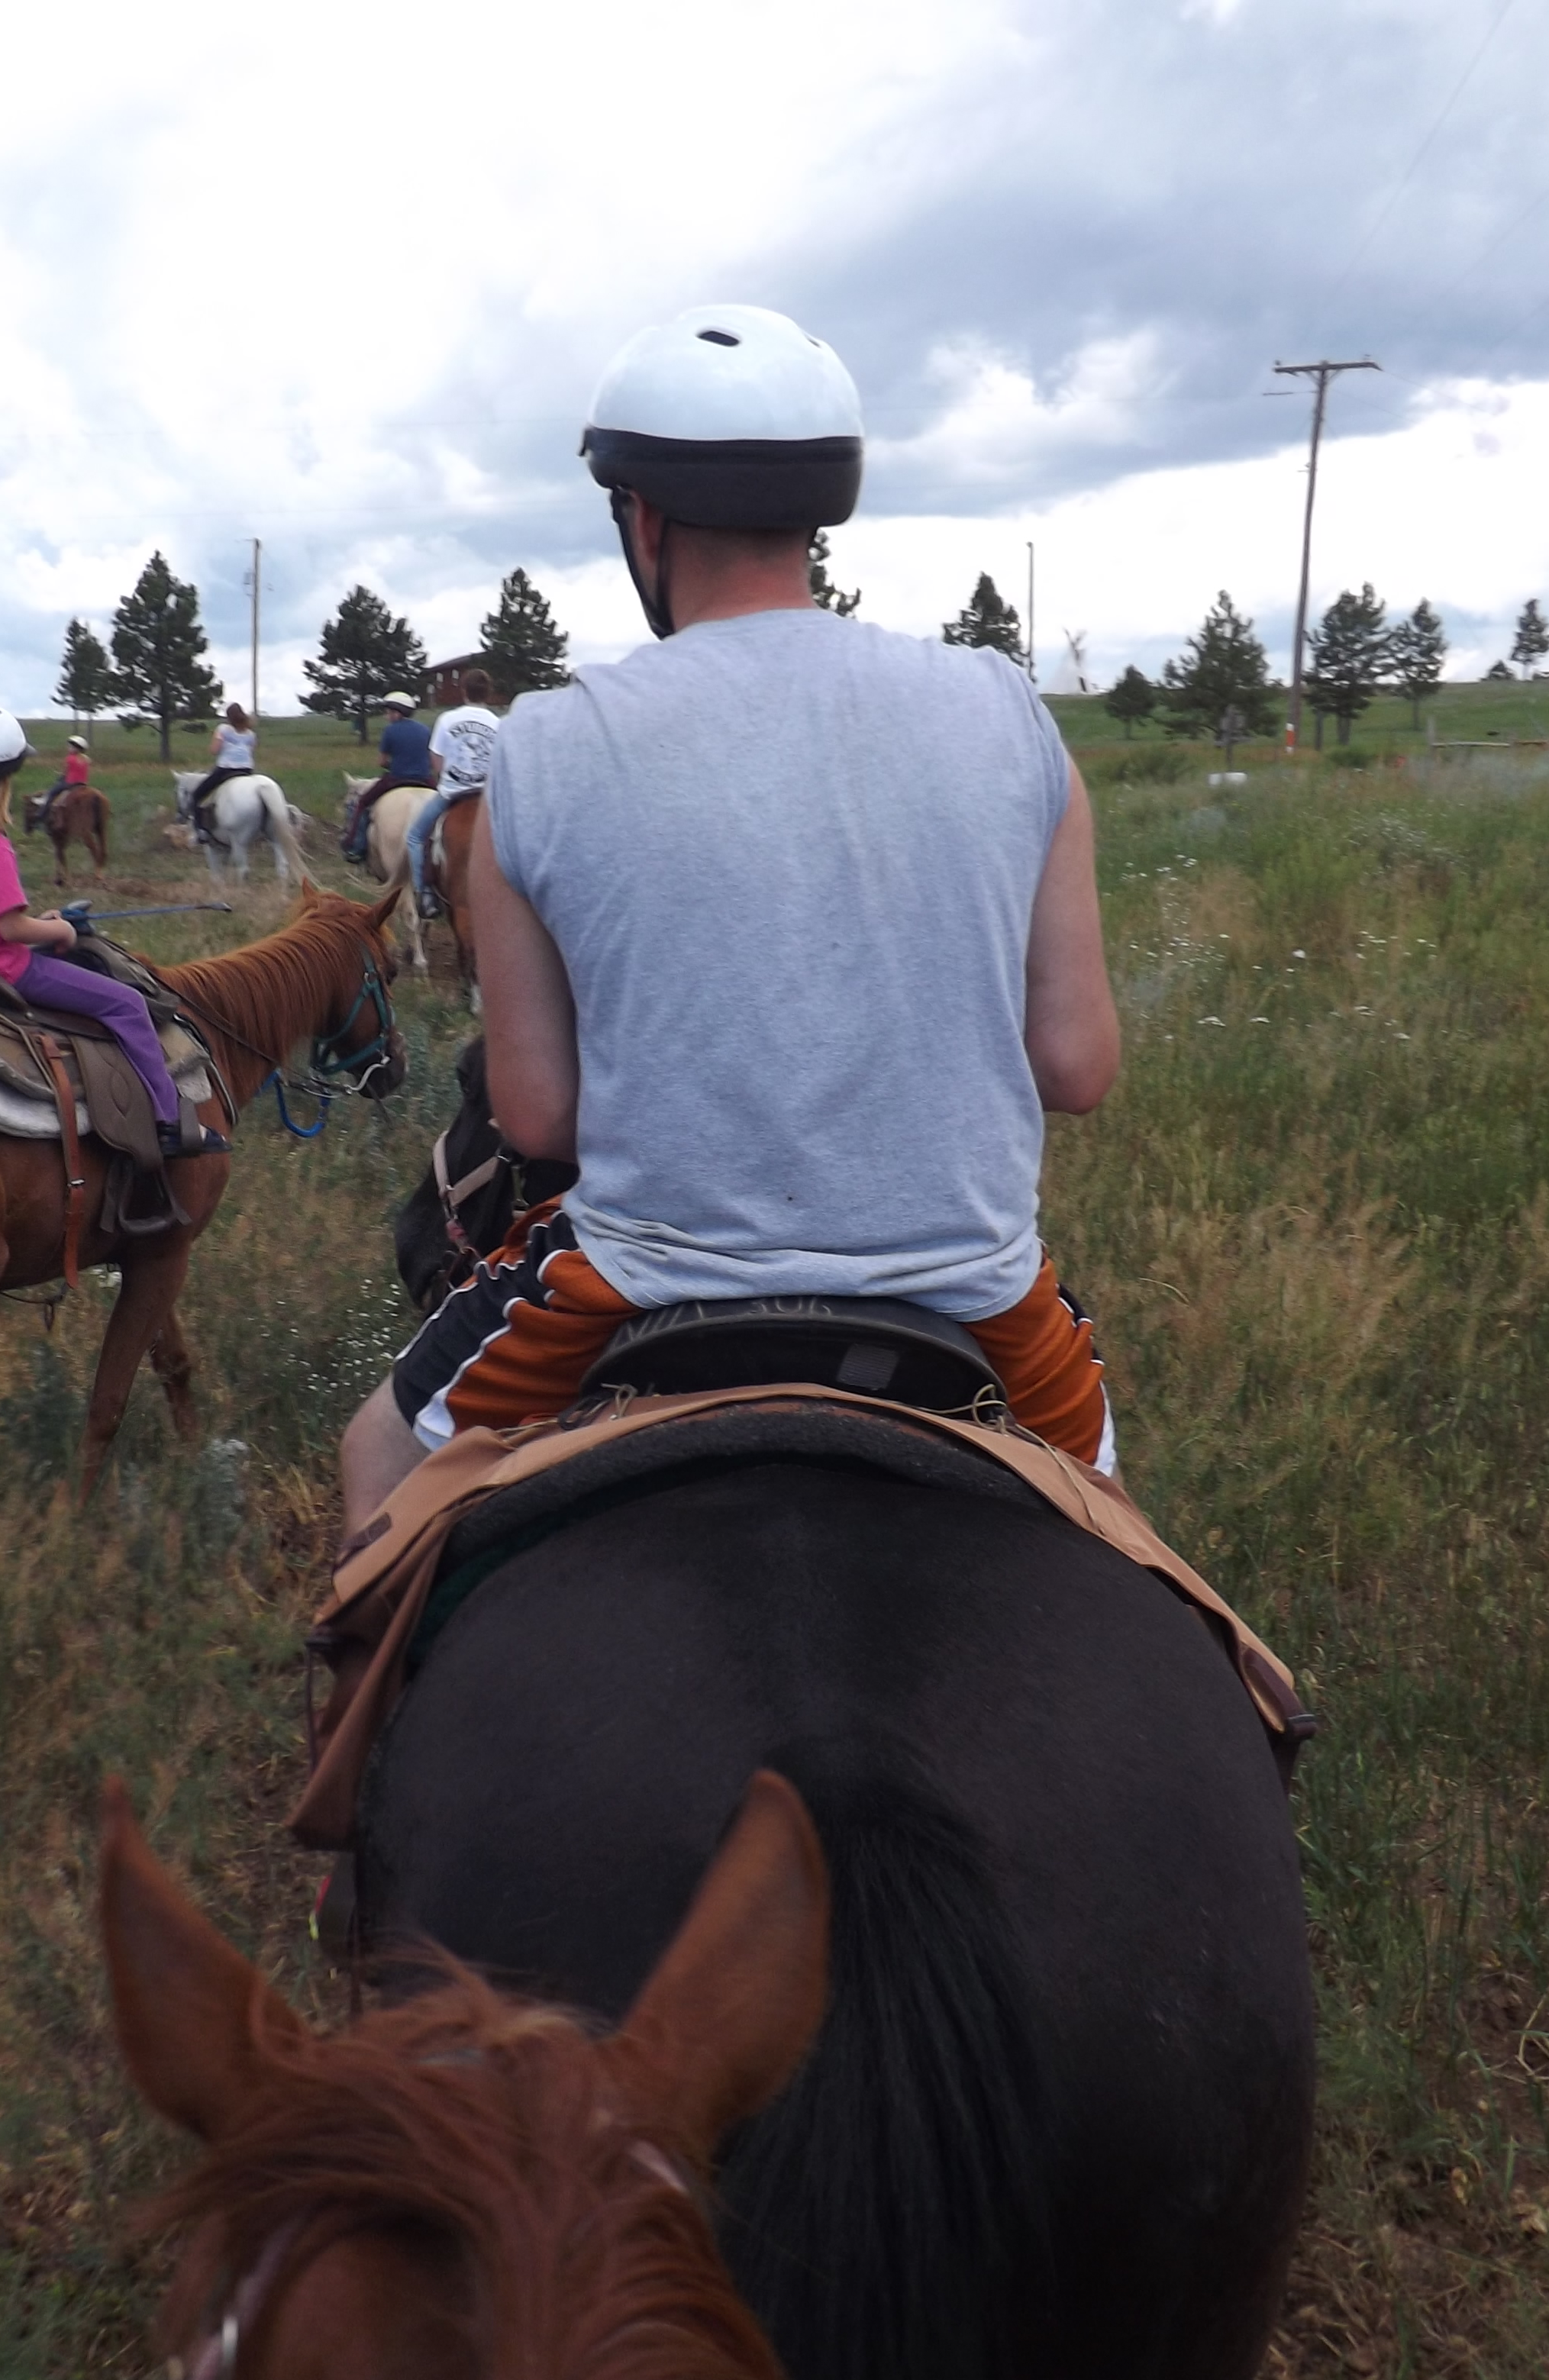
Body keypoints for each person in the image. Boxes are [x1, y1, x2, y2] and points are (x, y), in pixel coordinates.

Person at [337, 303, 1122, 1528]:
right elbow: (1076, 1067)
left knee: (377, 1458)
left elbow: (537, 1116)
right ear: (819, 512)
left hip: (634, 1285)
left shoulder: (545, 748)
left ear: (642, 518)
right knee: (1120, 1545)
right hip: (980, 1302)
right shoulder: (1007, 713)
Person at [0, 702, 224, 1156]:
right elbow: (10, 928)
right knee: (127, 1005)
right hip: (4, 970)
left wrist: (39, 923)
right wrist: (59, 932)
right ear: (0, 786)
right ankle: (169, 1122)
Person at [406, 665, 499, 914]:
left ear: (463, 691)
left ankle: (425, 893)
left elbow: (436, 757)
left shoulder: (447, 719)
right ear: (488, 693)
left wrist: (446, 778)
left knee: (415, 837)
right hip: (488, 797)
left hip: (452, 793)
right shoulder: (498, 723)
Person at [345, 692, 434, 859]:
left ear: (397, 712)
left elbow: (382, 761)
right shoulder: (425, 730)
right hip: (425, 780)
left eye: (388, 712)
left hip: (396, 779)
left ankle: (356, 846)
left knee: (362, 803)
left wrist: (394, 765)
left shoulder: (390, 730)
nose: (387, 716)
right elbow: (430, 759)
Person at [184, 701, 259, 840]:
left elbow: (214, 750)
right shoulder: (251, 734)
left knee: (197, 795)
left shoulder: (223, 729)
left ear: (229, 717)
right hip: (247, 770)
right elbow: (251, 750)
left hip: (226, 770)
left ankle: (201, 831)